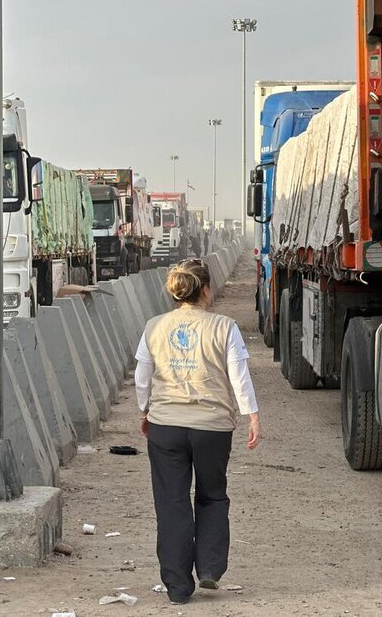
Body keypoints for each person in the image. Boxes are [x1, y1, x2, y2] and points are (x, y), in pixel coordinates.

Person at [135, 259, 262, 605]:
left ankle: (177, 588)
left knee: (172, 503)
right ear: (206, 289)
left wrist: (146, 411)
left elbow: (142, 379)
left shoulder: (154, 327)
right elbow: (239, 376)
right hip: (213, 428)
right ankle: (209, 568)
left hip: (166, 428)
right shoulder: (225, 327)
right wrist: (252, 416)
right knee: (212, 495)